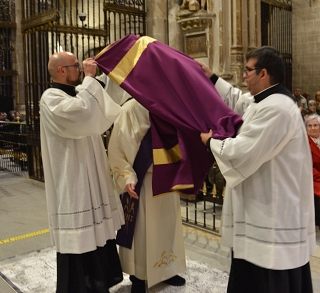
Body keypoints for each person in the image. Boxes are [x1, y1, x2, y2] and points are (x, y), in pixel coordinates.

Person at [198, 46, 316, 293]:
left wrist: (210, 142)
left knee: (268, 277)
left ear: (263, 74)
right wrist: (212, 78)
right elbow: (239, 102)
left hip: (272, 213)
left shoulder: (277, 108)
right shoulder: (268, 100)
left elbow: (243, 150)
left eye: (247, 70)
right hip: (263, 208)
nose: (243, 76)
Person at [39, 52, 125, 293]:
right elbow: (83, 113)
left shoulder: (80, 92)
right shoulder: (50, 98)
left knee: (97, 234)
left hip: (92, 175)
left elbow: (102, 108)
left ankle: (101, 281)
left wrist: (110, 73)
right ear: (61, 71)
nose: (79, 68)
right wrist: (89, 78)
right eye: (75, 66)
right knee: (80, 235)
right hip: (72, 177)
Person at [108, 98, 186, 293]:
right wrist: (127, 177)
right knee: (142, 232)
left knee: (168, 227)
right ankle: (138, 276)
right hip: (144, 181)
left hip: (167, 179)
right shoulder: (130, 109)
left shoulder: (171, 105)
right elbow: (116, 149)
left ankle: (168, 269)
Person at [305, 114, 320, 228]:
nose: (313, 128)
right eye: (310, 126)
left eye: (315, 125)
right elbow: (306, 166)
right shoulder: (304, 142)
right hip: (313, 178)